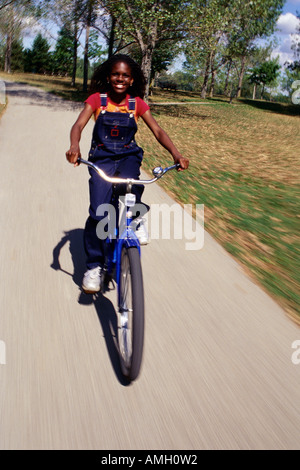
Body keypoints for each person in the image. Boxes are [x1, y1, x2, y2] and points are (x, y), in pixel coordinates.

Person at [66, 54, 189, 294]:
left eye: (125, 75)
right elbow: (78, 125)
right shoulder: (97, 100)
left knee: (132, 183)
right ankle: (93, 267)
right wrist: (74, 145)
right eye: (115, 74)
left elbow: (158, 130)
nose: (120, 79)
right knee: (97, 213)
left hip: (127, 155)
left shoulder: (136, 104)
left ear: (131, 79)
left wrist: (176, 154)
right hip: (101, 158)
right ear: (108, 76)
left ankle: (135, 217)